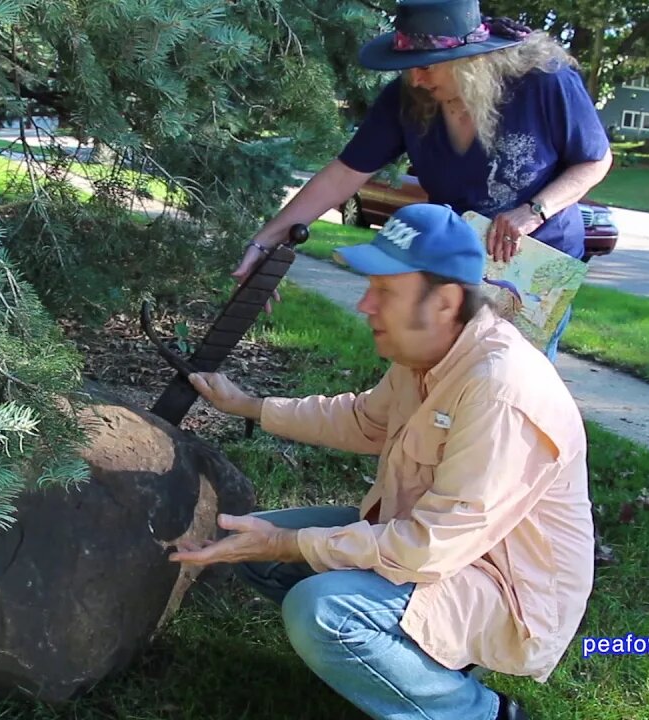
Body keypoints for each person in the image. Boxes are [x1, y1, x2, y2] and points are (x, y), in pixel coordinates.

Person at [172, 203, 595, 720]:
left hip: (502, 590)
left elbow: (429, 548)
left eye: (386, 291)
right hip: (434, 548)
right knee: (258, 545)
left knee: (322, 611)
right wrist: (250, 406)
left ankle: (479, 710)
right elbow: (365, 420)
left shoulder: (502, 392)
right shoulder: (428, 354)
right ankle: (407, 665)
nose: (364, 305)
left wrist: (292, 544)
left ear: (444, 302)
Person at [236, 0, 613, 361]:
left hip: (534, 265)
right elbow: (345, 173)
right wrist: (266, 238)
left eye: (428, 66)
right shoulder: (408, 98)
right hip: (454, 264)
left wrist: (533, 211)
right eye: (409, 65)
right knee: (435, 380)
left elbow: (595, 161)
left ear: (471, 61)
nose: (415, 77)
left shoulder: (544, 82)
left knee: (510, 385)